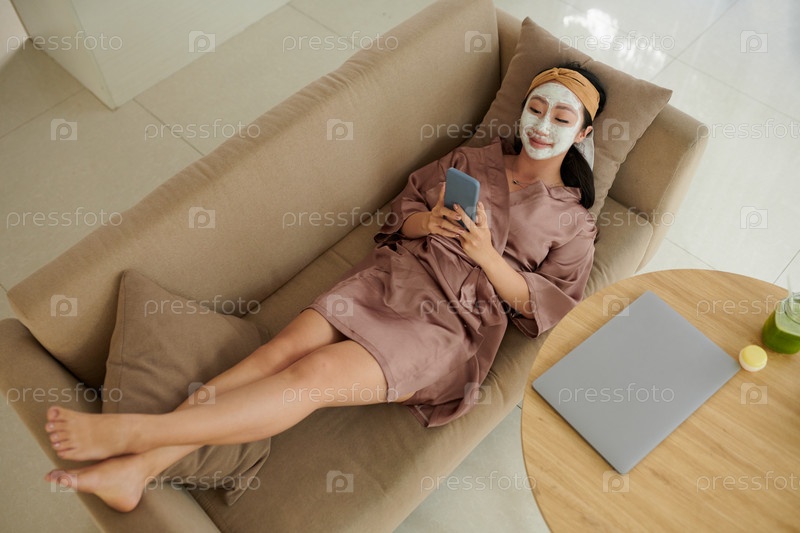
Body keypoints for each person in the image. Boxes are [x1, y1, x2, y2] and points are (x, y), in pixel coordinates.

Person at [43, 64, 606, 512]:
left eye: (561, 118)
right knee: (274, 354)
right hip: (396, 275)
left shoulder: (575, 223)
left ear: (581, 133)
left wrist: (485, 255)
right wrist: (429, 223)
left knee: (310, 376)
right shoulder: (471, 159)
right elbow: (404, 210)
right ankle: (136, 469)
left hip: (448, 326)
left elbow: (546, 308)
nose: (541, 125)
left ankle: (135, 433)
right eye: (536, 108)